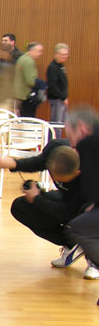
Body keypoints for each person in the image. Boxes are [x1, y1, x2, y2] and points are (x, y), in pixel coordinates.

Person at [0, 141, 87, 270]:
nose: (56, 180)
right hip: (68, 198)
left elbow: (69, 211)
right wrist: (15, 164)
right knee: (21, 207)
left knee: (87, 217)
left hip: (89, 209)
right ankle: (72, 243)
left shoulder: (89, 173)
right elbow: (39, 162)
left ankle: (93, 256)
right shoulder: (55, 149)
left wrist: (37, 199)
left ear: (76, 172)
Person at [64, 107, 99, 286]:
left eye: (71, 137)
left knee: (80, 226)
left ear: (81, 127)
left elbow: (89, 187)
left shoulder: (87, 144)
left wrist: (93, 202)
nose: (71, 144)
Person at [13, 42, 44, 117]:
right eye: (39, 51)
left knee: (19, 118)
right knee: (27, 119)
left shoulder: (22, 58)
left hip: (18, 95)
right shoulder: (29, 62)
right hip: (25, 96)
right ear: (32, 50)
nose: (41, 54)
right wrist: (41, 84)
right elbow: (30, 81)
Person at [46, 43, 69, 134]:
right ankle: (55, 140)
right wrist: (63, 97)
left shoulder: (61, 65)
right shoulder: (53, 67)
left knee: (61, 122)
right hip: (56, 99)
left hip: (61, 98)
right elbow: (53, 85)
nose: (65, 56)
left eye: (66, 54)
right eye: (63, 54)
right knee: (57, 124)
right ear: (56, 54)